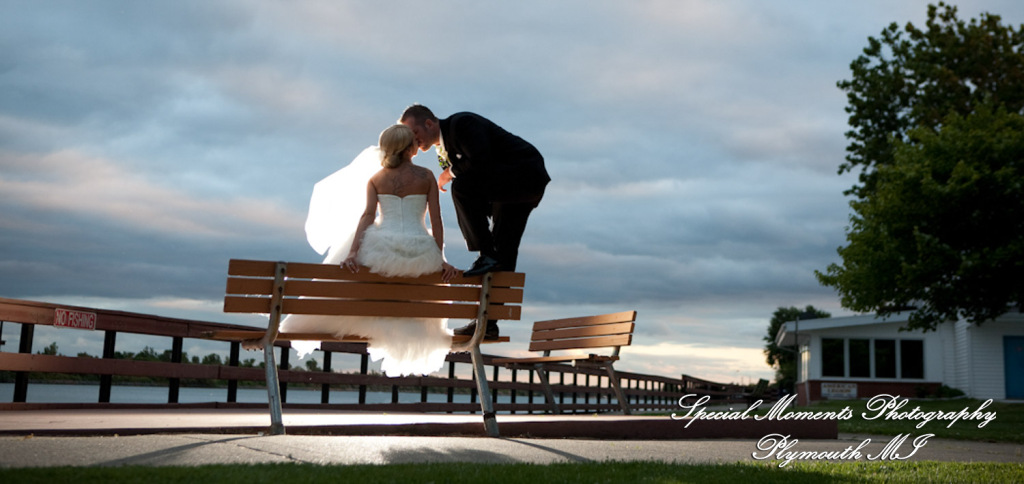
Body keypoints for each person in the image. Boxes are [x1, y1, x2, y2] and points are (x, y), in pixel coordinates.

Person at [280, 124, 459, 377]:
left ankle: (374, 325)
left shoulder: (376, 179)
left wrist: (353, 252)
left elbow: (367, 216)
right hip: (421, 253)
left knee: (358, 276)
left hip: (381, 250)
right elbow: (436, 220)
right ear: (410, 148)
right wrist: (439, 258)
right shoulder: (426, 176)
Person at [400, 104, 550, 339]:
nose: (414, 140)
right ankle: (489, 324)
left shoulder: (462, 124)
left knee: (461, 187)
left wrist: (449, 173)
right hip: (509, 188)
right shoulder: (443, 148)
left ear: (429, 123)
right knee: (504, 250)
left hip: (523, 173)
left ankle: (485, 253)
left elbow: (481, 162)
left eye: (415, 133)